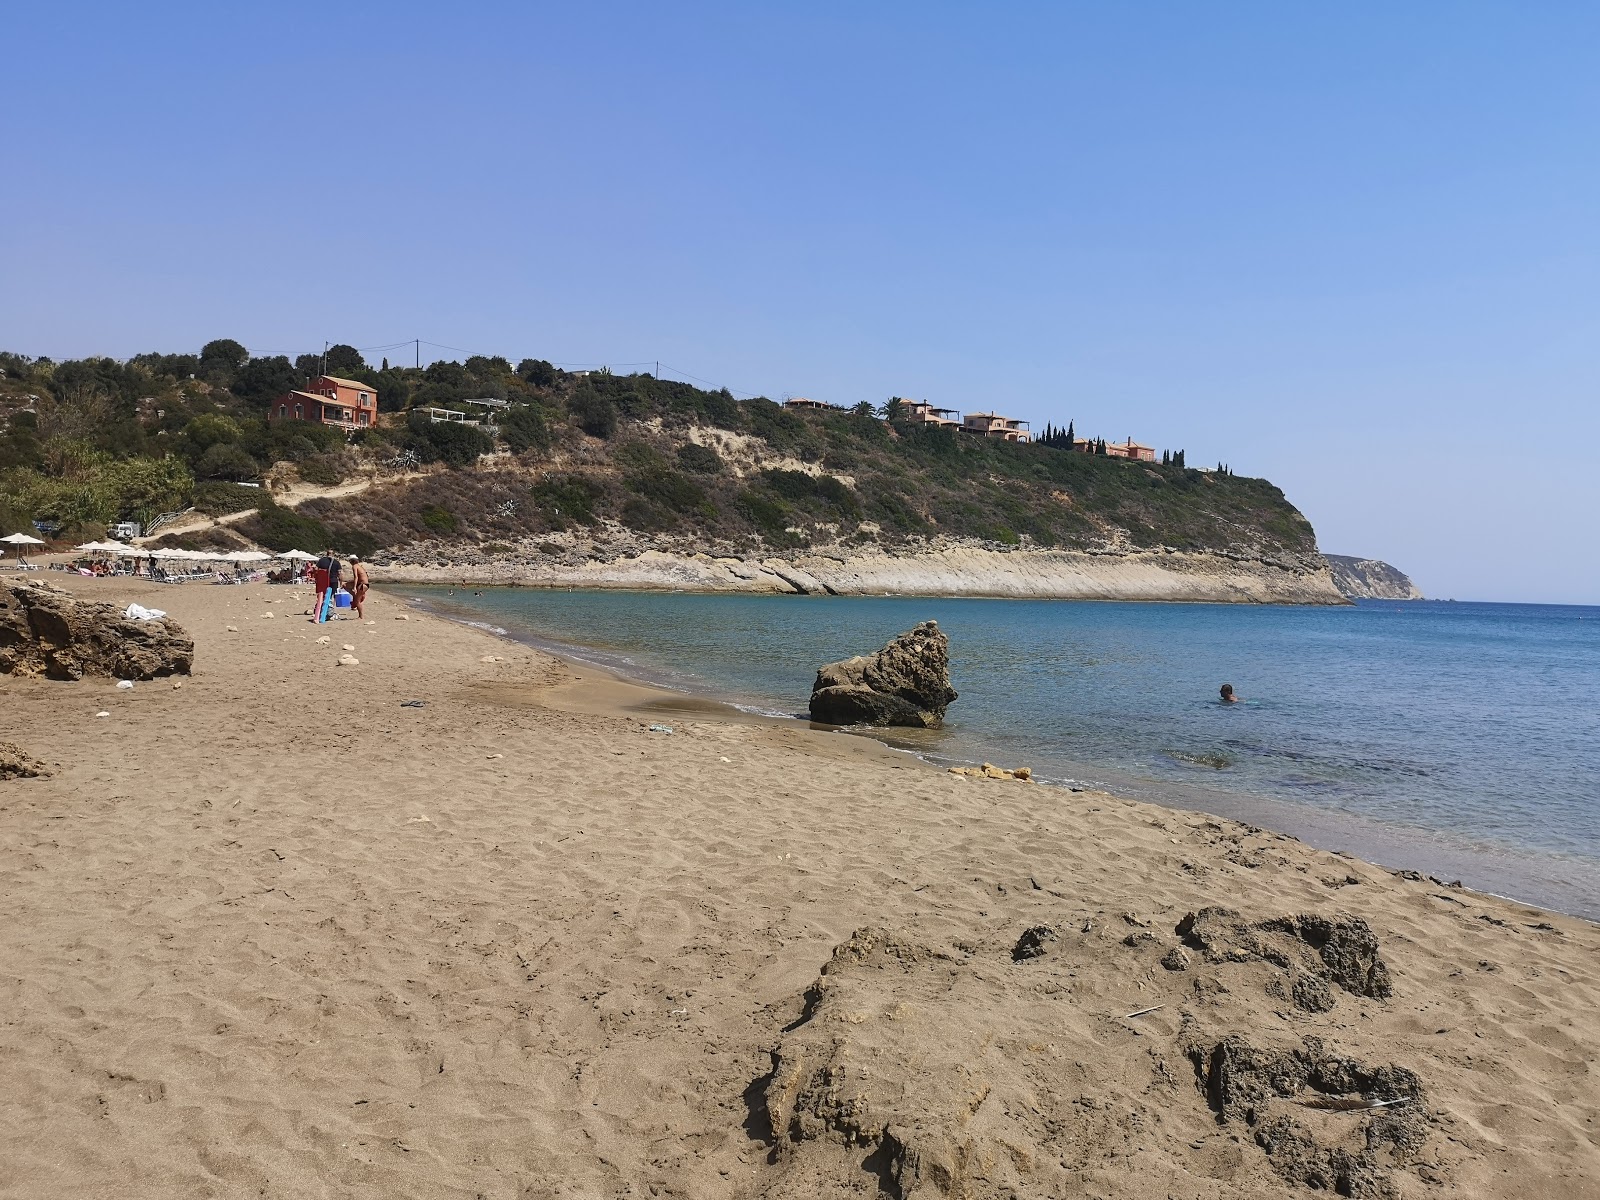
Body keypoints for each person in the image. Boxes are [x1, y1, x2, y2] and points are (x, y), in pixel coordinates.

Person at [313, 548, 342, 623]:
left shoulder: (321, 560)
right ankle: (329, 612)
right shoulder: (336, 562)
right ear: (333, 554)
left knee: (321, 595)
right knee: (331, 596)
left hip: (322, 581)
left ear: (326, 553)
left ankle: (320, 610)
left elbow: (316, 569)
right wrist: (341, 582)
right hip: (333, 581)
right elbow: (339, 573)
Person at [349, 555, 370, 620]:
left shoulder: (354, 566)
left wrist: (354, 587)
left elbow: (356, 577)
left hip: (362, 585)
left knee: (357, 601)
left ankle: (361, 616)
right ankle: (360, 595)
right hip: (366, 584)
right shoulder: (360, 566)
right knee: (345, 585)